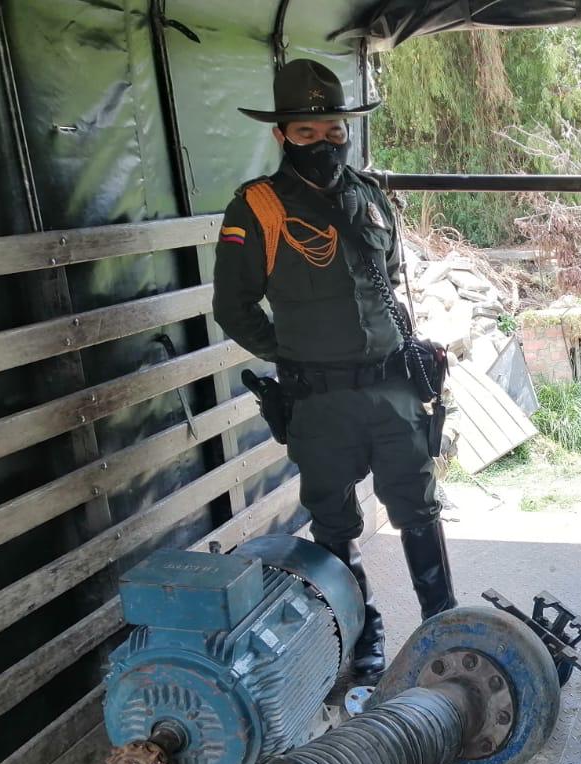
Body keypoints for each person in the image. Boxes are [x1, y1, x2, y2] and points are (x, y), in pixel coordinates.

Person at [213, 59, 457, 683]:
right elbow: (232, 307)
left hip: (392, 390)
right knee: (334, 525)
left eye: (333, 130)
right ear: (280, 135)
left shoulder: (371, 198)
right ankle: (362, 635)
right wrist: (288, 350)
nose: (323, 143)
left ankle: (442, 629)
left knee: (420, 511)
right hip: (319, 402)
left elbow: (389, 288)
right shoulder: (258, 208)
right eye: (306, 133)